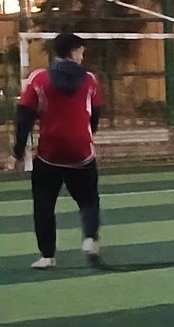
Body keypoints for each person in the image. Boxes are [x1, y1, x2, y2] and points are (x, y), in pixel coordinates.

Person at [12, 31, 105, 270]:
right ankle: (90, 238)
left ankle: (47, 255)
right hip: (81, 151)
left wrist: (18, 151)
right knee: (88, 199)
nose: (82, 56)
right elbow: (95, 115)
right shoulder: (90, 80)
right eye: (81, 51)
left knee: (43, 204)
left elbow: (24, 117)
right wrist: (86, 134)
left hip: (49, 152)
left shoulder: (38, 79)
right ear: (74, 52)